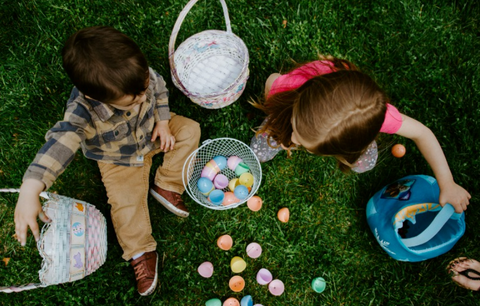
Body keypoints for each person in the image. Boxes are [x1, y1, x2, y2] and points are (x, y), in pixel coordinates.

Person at [13, 26, 201, 296]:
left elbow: (158, 90)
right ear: (93, 96)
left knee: (190, 130)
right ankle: (140, 251)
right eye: (132, 100)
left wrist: (162, 121)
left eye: (142, 90)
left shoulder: (139, 77)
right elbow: (62, 141)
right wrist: (31, 186)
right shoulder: (82, 112)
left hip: (153, 133)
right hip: (117, 158)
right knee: (126, 205)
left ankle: (167, 184)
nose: (139, 100)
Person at [250, 56, 470, 213]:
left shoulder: (380, 117)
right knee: (268, 140)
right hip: (296, 100)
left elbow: (422, 133)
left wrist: (447, 183)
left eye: (302, 142)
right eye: (296, 128)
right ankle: (283, 124)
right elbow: (272, 80)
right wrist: (283, 120)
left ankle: (351, 145)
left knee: (363, 164)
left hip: (350, 127)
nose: (294, 141)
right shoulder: (290, 88)